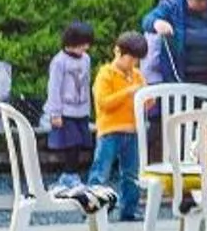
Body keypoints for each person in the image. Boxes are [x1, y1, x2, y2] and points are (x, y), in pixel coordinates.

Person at [87, 33, 147, 220]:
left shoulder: (137, 75)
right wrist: (128, 92)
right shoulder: (106, 74)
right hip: (109, 130)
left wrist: (147, 98)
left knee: (131, 173)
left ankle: (129, 209)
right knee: (101, 171)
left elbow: (146, 100)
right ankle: (92, 208)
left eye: (137, 59)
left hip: (132, 130)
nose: (134, 63)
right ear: (118, 52)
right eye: (131, 58)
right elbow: (103, 102)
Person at [42, 23, 97, 184]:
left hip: (82, 110)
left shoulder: (86, 59)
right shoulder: (59, 62)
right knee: (71, 144)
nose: (85, 47)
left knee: (81, 143)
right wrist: (55, 113)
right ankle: (69, 174)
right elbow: (54, 88)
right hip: (65, 111)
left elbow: (86, 85)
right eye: (82, 43)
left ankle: (72, 174)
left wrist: (89, 109)